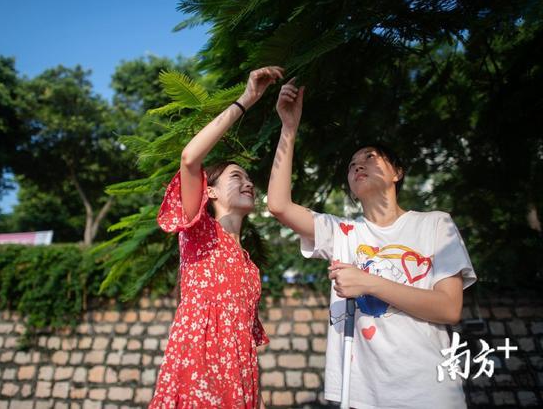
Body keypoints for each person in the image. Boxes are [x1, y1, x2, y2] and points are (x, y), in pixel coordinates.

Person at [267, 78, 477, 408]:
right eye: (352, 165)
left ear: (397, 172)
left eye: (370, 157)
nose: (358, 164)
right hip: (363, 394)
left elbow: (449, 308)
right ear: (351, 189)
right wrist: (288, 128)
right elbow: (279, 206)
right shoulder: (342, 233)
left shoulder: (435, 224)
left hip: (429, 390)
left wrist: (368, 283)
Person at [149, 66, 284, 408]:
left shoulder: (251, 270)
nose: (248, 183)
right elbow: (190, 158)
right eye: (237, 176)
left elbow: (245, 347)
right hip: (196, 376)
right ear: (209, 191)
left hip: (239, 387)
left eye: (250, 178)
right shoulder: (198, 232)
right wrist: (247, 99)